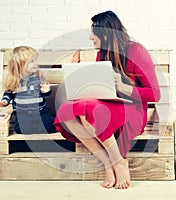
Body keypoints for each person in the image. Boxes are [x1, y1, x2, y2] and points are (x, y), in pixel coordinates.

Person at [54, 11, 160, 189]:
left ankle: (119, 162)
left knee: (89, 110)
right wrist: (79, 74)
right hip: (107, 105)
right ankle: (109, 163)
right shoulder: (102, 54)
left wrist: (123, 87)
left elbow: (155, 94)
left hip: (132, 109)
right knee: (67, 110)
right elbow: (100, 91)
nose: (90, 37)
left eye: (93, 31)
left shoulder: (137, 51)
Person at [0, 46, 57, 134]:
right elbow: (8, 94)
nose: (36, 63)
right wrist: (4, 102)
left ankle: (44, 125)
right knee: (22, 129)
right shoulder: (14, 80)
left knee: (50, 127)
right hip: (23, 115)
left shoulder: (38, 77)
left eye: (35, 60)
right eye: (32, 61)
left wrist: (46, 91)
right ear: (20, 64)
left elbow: (45, 94)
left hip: (41, 112)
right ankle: (36, 128)